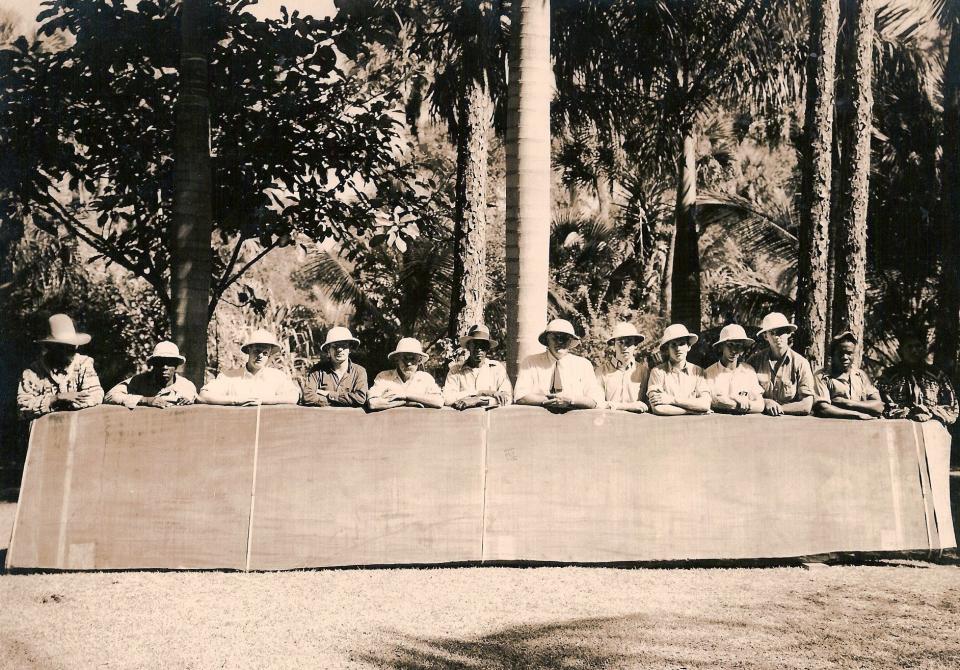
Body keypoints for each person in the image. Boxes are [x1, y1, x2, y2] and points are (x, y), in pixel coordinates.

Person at [17, 314, 104, 420]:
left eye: (72, 346)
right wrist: (56, 399)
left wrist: (70, 404)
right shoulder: (33, 372)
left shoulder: (83, 364)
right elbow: (22, 408)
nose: (69, 351)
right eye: (62, 347)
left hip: (78, 426)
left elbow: (96, 394)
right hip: (45, 430)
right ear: (49, 346)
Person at [514, 319, 605, 411]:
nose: (560, 342)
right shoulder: (531, 362)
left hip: (575, 421)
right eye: (555, 338)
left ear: (571, 341)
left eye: (565, 338)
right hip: (539, 420)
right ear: (547, 340)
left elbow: (595, 401)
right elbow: (520, 396)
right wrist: (550, 401)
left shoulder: (583, 365)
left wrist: (571, 400)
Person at [198, 329, 300, 406]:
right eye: (256, 351)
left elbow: (294, 397)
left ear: (269, 355)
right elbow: (204, 395)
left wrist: (262, 400)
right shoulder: (230, 376)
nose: (260, 356)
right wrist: (236, 400)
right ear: (248, 350)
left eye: (265, 353)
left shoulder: (277, 377)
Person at [878, 332, 958, 425]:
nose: (914, 351)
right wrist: (907, 413)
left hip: (933, 429)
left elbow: (952, 408)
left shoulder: (937, 375)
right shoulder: (888, 376)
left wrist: (930, 412)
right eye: (909, 347)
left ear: (924, 349)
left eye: (918, 346)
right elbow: (881, 406)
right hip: (900, 429)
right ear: (900, 351)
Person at [747, 312, 816, 416]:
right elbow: (744, 393)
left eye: (781, 332)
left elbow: (806, 405)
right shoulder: (754, 361)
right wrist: (765, 402)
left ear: (788, 333)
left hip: (790, 423)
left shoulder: (801, 363)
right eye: (772, 333)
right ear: (766, 336)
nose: (777, 337)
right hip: (760, 421)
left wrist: (779, 408)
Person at [104, 341, 197, 409]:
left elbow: (195, 397)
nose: (165, 367)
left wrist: (187, 400)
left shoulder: (187, 386)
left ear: (176, 366)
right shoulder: (139, 381)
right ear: (153, 365)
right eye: (160, 362)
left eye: (169, 363)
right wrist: (146, 400)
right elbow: (110, 396)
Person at [812, 331, 883, 420]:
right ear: (832, 354)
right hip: (833, 428)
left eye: (849, 353)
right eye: (841, 353)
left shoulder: (861, 375)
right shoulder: (821, 377)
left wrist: (847, 403)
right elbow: (823, 408)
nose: (845, 357)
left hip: (863, 427)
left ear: (854, 354)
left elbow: (879, 406)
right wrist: (856, 415)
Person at [647, 324, 711, 416]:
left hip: (694, 426)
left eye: (682, 344)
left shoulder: (697, 371)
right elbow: (657, 408)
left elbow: (705, 404)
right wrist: (692, 410)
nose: (678, 348)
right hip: (667, 425)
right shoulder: (657, 372)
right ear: (667, 349)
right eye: (673, 345)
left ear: (688, 347)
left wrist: (671, 400)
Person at [443, 325, 512, 410]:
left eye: (483, 345)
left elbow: (507, 398)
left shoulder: (497, 369)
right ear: (468, 346)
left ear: (488, 348)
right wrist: (480, 393)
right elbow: (447, 399)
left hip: (490, 420)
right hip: (463, 420)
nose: (479, 349)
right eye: (475, 344)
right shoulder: (456, 370)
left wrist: (479, 401)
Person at [367, 337, 444, 410]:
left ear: (419, 360)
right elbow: (373, 403)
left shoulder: (425, 378)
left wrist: (406, 395)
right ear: (397, 359)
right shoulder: (384, 377)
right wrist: (407, 402)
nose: (409, 363)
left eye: (413, 358)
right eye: (405, 358)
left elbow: (439, 401)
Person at [301, 326, 368, 408]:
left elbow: (360, 398)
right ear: (328, 350)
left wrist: (329, 394)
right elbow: (307, 396)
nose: (339, 349)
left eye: (344, 345)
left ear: (350, 348)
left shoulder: (359, 371)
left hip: (351, 418)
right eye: (335, 346)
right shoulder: (317, 371)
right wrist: (342, 400)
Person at [704, 324, 764, 415]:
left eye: (738, 346)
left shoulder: (749, 372)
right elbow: (708, 402)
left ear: (743, 349)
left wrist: (745, 404)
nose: (734, 350)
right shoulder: (709, 373)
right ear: (721, 346)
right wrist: (736, 405)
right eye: (730, 345)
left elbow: (760, 405)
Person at [595, 322, 649, 413]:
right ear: (613, 344)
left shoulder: (644, 372)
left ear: (635, 344)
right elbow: (597, 404)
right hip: (609, 423)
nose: (624, 347)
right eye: (620, 342)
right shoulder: (601, 372)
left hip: (636, 424)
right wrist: (629, 406)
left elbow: (648, 403)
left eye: (629, 342)